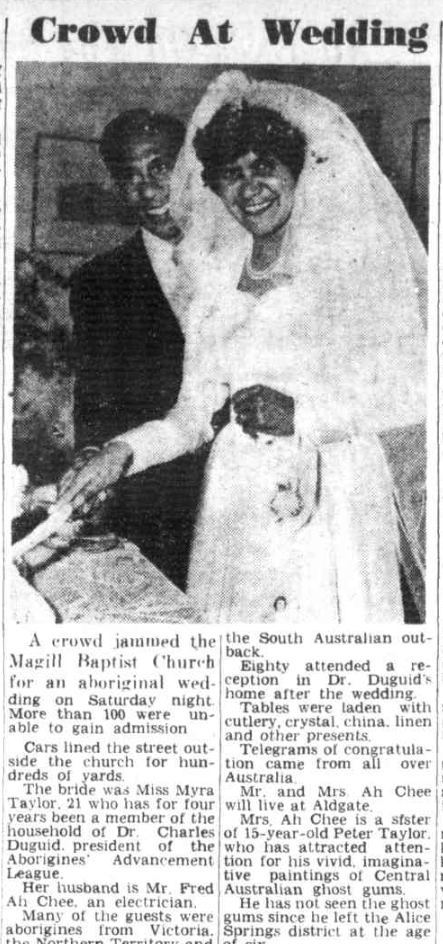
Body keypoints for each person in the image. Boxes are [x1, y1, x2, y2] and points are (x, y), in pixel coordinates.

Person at [57, 72, 427, 623]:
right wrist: (120, 453)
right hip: (235, 501)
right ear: (214, 187)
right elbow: (191, 418)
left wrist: (302, 414)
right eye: (231, 174)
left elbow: (416, 392)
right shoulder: (216, 280)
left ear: (297, 173)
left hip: (334, 497)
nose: (249, 187)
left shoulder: (348, 269)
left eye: (265, 168)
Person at [69, 109, 206, 589]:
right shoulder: (97, 283)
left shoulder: (248, 257)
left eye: (159, 167)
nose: (147, 189)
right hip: (156, 506)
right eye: (128, 176)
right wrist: (92, 459)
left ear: (190, 164)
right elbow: (95, 400)